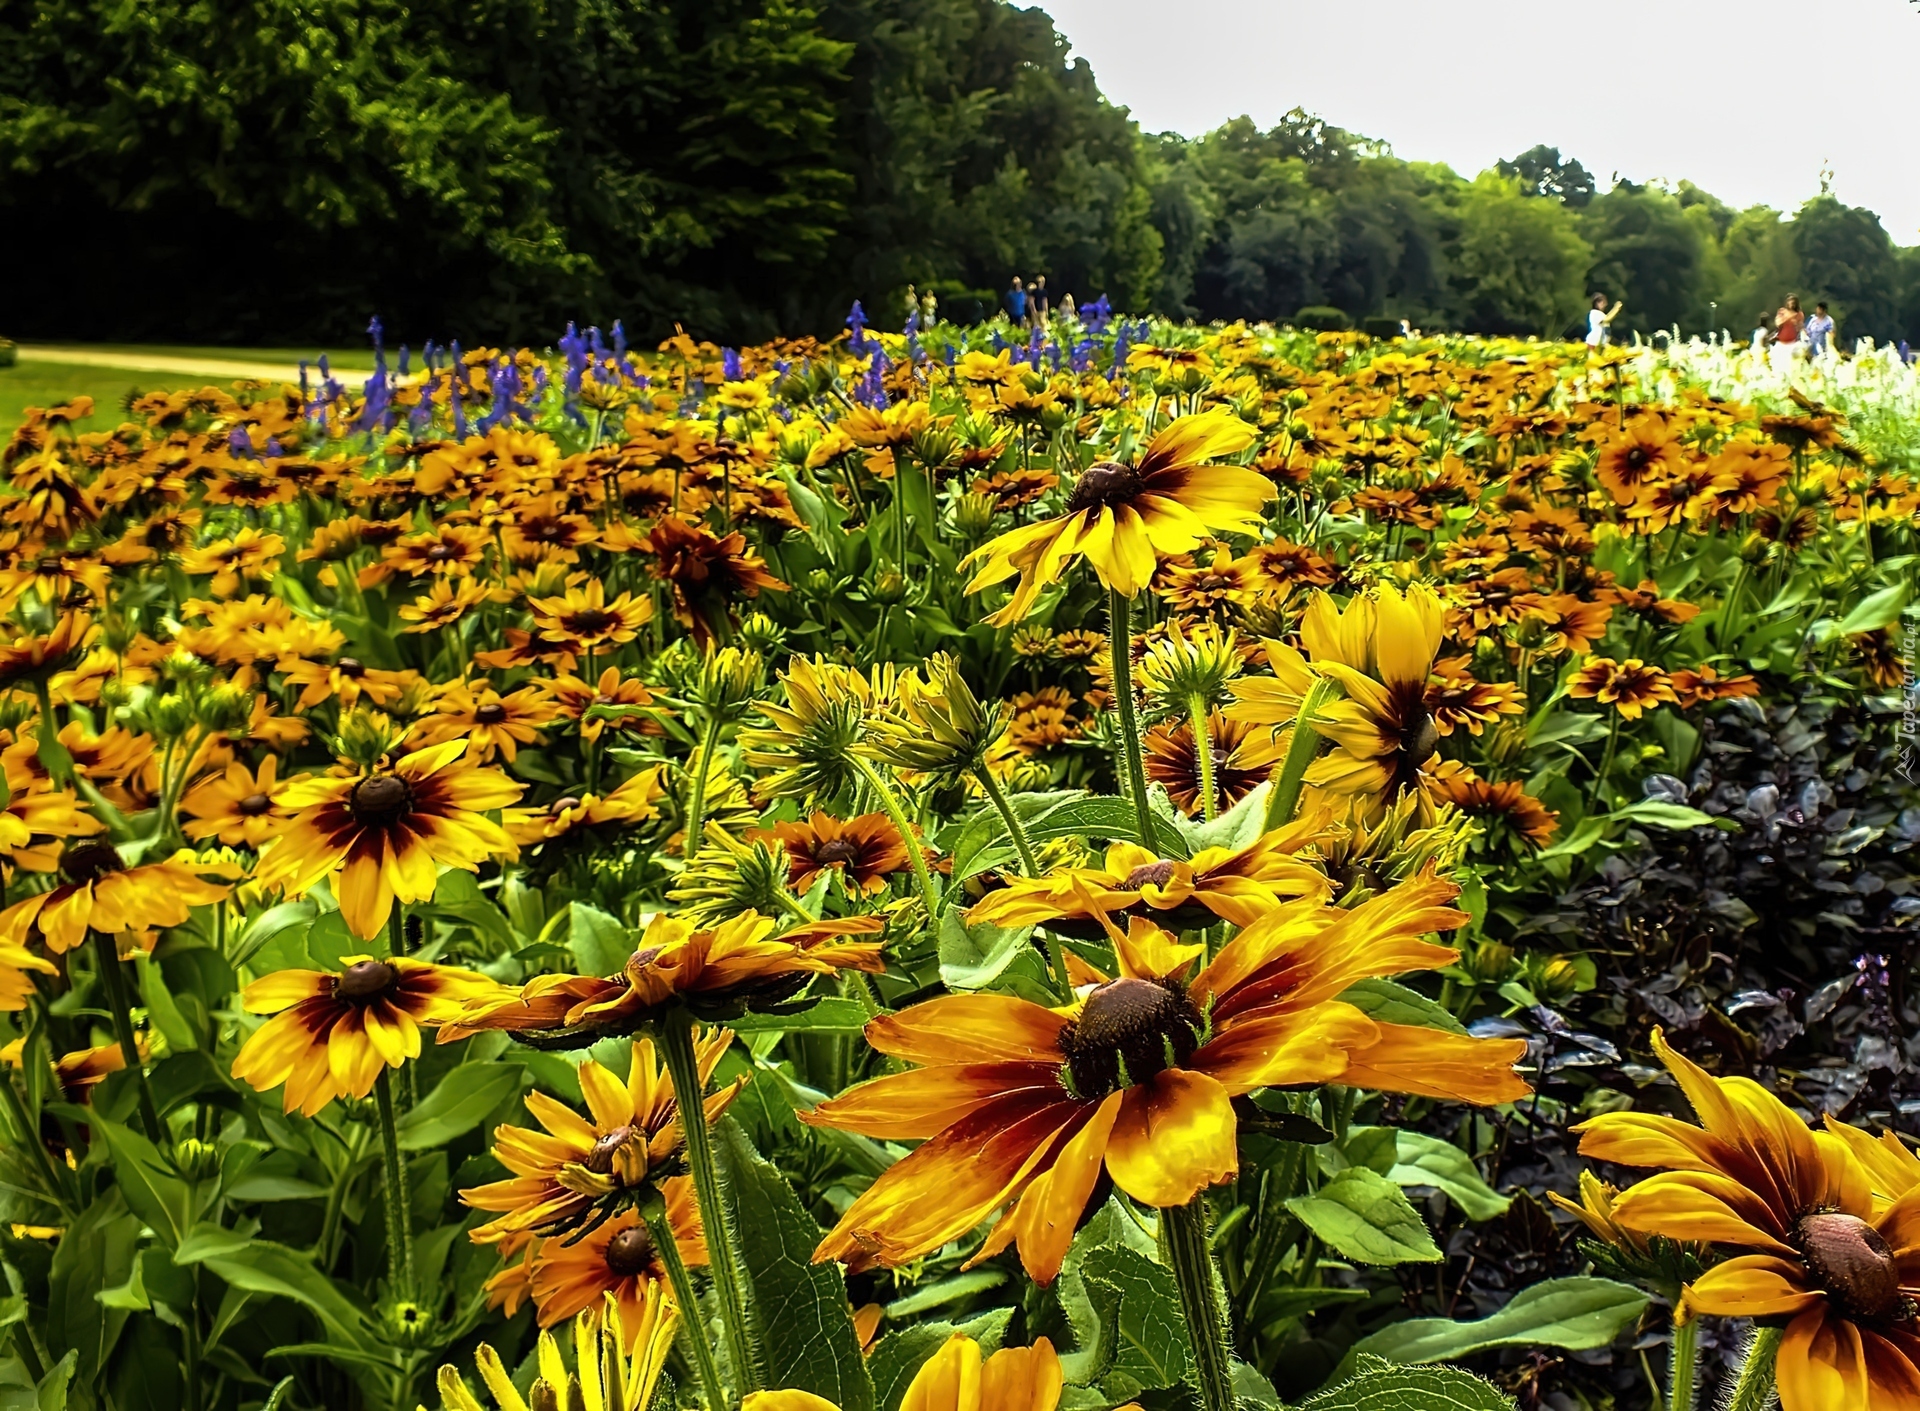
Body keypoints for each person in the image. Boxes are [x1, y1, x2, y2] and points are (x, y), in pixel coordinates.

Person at [1772, 295, 1804, 370]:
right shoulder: (1782, 311)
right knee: (1778, 364)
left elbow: (1800, 327)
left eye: (1793, 303)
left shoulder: (1799, 314)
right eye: (1790, 303)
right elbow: (1778, 323)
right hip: (1781, 341)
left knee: (1789, 365)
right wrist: (1788, 317)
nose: (1792, 305)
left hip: (1792, 342)